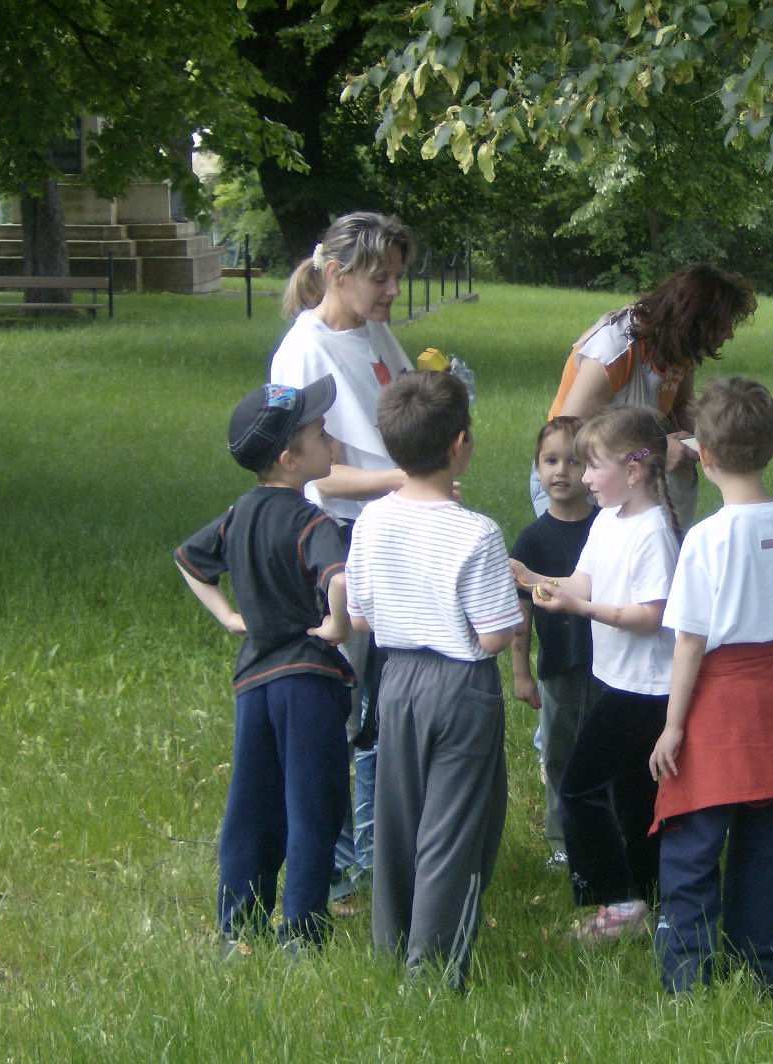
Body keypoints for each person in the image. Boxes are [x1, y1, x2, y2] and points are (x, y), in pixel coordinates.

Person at [646, 378, 773, 995]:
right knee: (765, 850)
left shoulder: (706, 538)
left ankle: (688, 981)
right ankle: (760, 975)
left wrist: (672, 727)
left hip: (719, 707)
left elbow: (690, 641)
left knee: (694, 846)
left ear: (702, 454)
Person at [343, 370, 519, 990]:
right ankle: (436, 970)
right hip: (461, 684)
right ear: (460, 444)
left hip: (394, 679)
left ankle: (392, 946)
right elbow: (495, 636)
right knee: (456, 829)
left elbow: (359, 616)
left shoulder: (369, 522)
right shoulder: (477, 532)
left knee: (399, 814)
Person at [174, 375, 354, 956]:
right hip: (309, 682)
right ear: (289, 457)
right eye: (321, 433)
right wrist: (336, 627)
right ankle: (301, 935)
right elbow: (340, 581)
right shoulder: (312, 523)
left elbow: (190, 561)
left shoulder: (238, 515)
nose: (331, 441)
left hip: (253, 683)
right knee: (312, 808)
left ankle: (238, 931)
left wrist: (229, 616)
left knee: (250, 808)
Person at [271, 211, 416, 910]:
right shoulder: (303, 353)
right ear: (337, 274)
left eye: (396, 275)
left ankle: (373, 849)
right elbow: (314, 476)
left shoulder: (374, 332)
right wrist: (404, 478)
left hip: (393, 532)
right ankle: (332, 869)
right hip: (343, 542)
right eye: (380, 276)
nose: (392, 290)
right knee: (340, 704)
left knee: (382, 705)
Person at [510, 406, 681, 942]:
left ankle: (618, 900)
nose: (583, 477)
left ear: (634, 469)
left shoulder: (653, 531)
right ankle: (648, 902)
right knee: (635, 798)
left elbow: (652, 615)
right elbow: (583, 582)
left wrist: (581, 610)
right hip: (619, 679)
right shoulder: (609, 518)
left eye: (592, 466)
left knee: (581, 786)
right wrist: (534, 579)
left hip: (646, 689)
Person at [533, 263, 758, 525]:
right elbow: (567, 438)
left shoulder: (677, 349)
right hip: (569, 484)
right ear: (694, 322)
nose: (729, 334)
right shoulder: (612, 352)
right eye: (724, 324)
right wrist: (660, 449)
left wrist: (716, 442)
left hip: (622, 478)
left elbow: (683, 409)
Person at [509, 416, 600, 867]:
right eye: (550, 460)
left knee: (606, 751)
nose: (561, 471)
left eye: (574, 460)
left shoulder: (607, 530)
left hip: (609, 664)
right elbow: (521, 613)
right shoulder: (532, 539)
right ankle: (563, 840)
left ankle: (612, 828)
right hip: (558, 666)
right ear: (538, 469)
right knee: (560, 753)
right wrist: (521, 673)